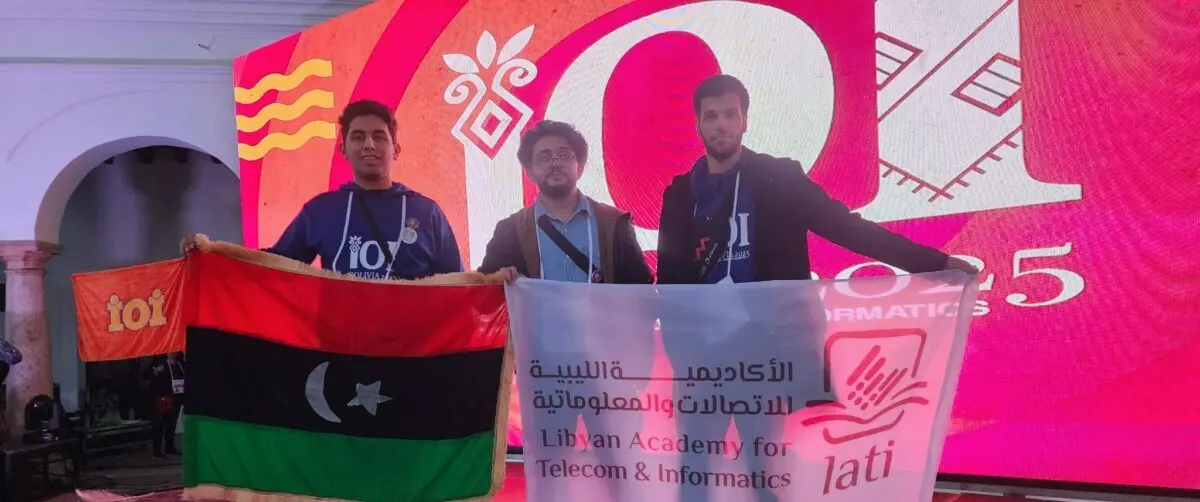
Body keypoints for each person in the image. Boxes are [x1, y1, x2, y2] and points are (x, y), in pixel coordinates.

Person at [656, 74, 979, 502]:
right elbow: (669, 281)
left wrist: (935, 264)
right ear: (698, 123)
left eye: (730, 115)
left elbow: (846, 227)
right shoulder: (681, 194)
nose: (721, 125)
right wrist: (681, 357)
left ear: (745, 120)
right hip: (703, 357)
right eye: (710, 116)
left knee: (763, 473)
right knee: (694, 473)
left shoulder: (777, 178)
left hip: (762, 349)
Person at [477, 120, 653, 500]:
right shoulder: (512, 230)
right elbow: (483, 291)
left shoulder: (613, 224)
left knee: (620, 468)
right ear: (529, 170)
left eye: (563, 155)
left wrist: (639, 366)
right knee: (551, 469)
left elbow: (642, 292)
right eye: (544, 157)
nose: (554, 162)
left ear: (580, 165)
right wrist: (497, 278)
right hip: (546, 372)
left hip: (608, 372)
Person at [181, 99, 463, 280]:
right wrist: (213, 253)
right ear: (344, 150)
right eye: (358, 137)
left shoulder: (427, 213)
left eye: (379, 136)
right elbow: (273, 264)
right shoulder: (322, 210)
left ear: (396, 149)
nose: (369, 144)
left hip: (412, 351)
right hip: (341, 350)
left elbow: (457, 288)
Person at [143, 352, 184, 458]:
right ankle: (157, 450)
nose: (174, 352)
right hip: (161, 397)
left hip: (176, 397)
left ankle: (169, 447)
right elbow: (145, 375)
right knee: (159, 424)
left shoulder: (180, 363)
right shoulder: (159, 361)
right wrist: (156, 371)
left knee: (172, 423)